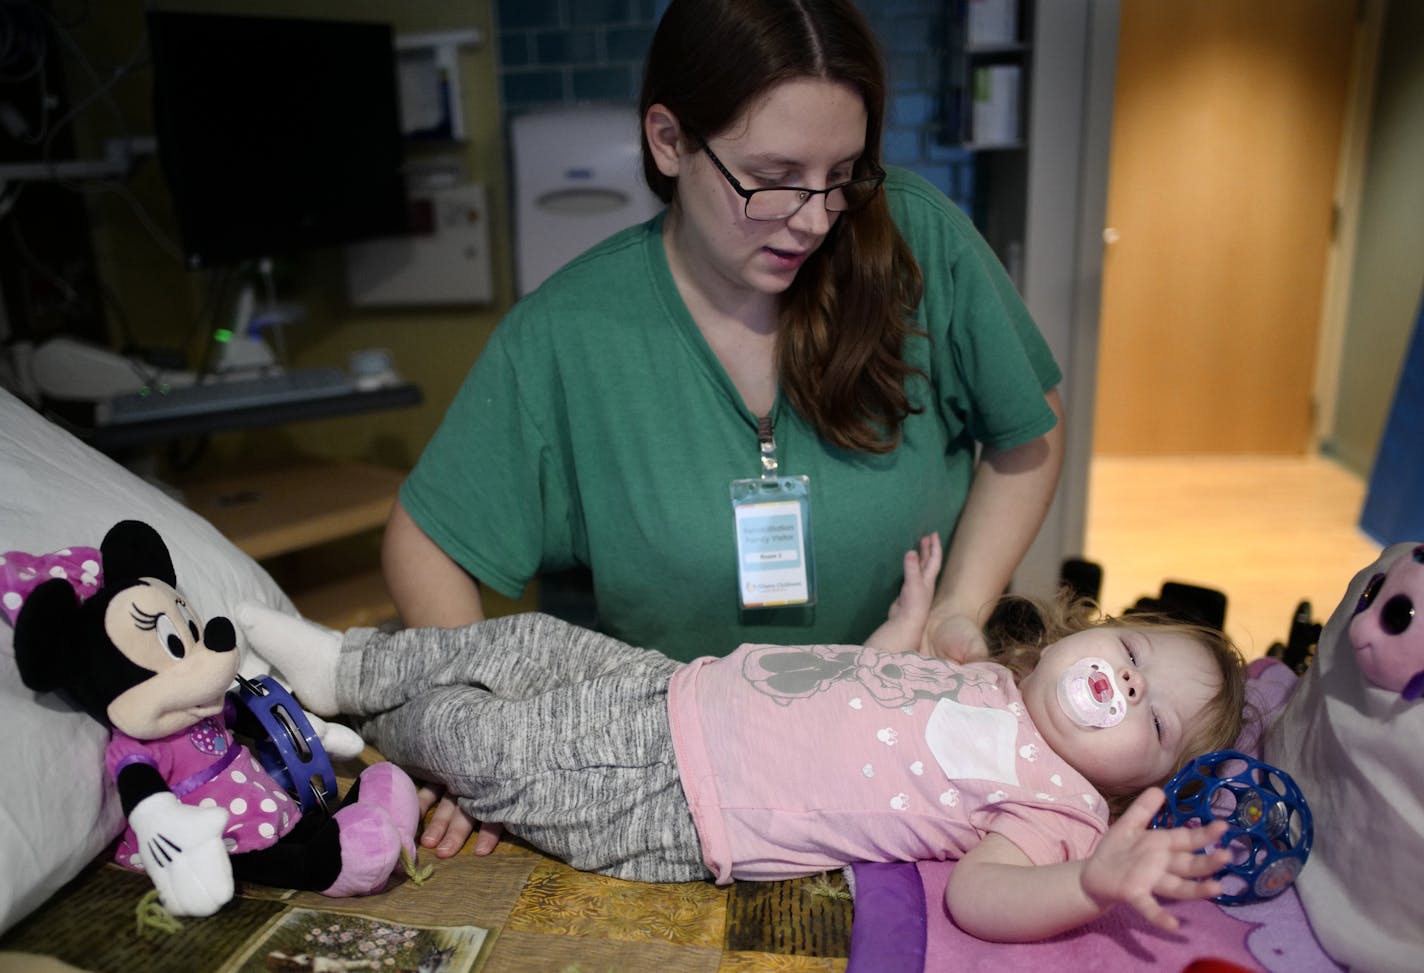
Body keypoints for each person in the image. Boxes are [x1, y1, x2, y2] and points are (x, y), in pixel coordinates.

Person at [385, 0, 1064, 856]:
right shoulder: (569, 334)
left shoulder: (913, 237)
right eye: (773, 176)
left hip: (913, 751)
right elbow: (428, 540)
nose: (816, 218)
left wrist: (957, 609)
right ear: (668, 142)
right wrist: (472, 740)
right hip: (686, 783)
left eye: (842, 174)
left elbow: (1029, 433)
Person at [238, 533, 1250, 942]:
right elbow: (863, 686)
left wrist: (1088, 883)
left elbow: (981, 894)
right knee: (524, 639)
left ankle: (359, 723)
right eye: (1127, 651)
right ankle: (345, 666)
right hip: (677, 685)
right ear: (1088, 631)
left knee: (487, 741)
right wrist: (901, 626)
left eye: (1151, 718)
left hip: (679, 795)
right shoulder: (987, 679)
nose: (1121, 684)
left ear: (1140, 786)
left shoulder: (1056, 809)